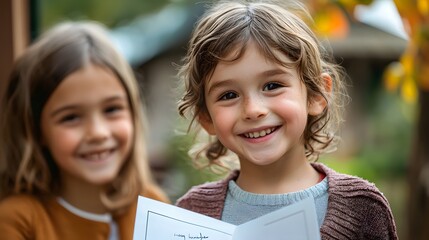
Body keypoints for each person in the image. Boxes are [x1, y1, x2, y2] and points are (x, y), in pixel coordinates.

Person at [175, 0, 398, 239]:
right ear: (206, 117)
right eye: (229, 95)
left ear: (315, 95)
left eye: (272, 85)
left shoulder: (363, 210)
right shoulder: (190, 214)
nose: (253, 110)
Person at [0, 21, 169, 240]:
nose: (98, 133)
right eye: (71, 117)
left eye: (111, 109)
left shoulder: (152, 204)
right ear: (36, 130)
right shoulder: (17, 221)